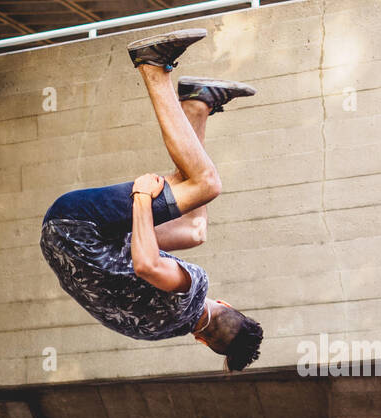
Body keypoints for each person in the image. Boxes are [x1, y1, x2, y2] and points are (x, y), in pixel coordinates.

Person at [39, 30, 263, 372]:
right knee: (194, 231)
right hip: (67, 242)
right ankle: (197, 104)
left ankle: (153, 65)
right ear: (201, 340)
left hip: (79, 225)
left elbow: (146, 265)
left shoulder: (192, 290)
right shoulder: (160, 331)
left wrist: (142, 199)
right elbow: (136, 269)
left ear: (225, 303)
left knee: (205, 184)